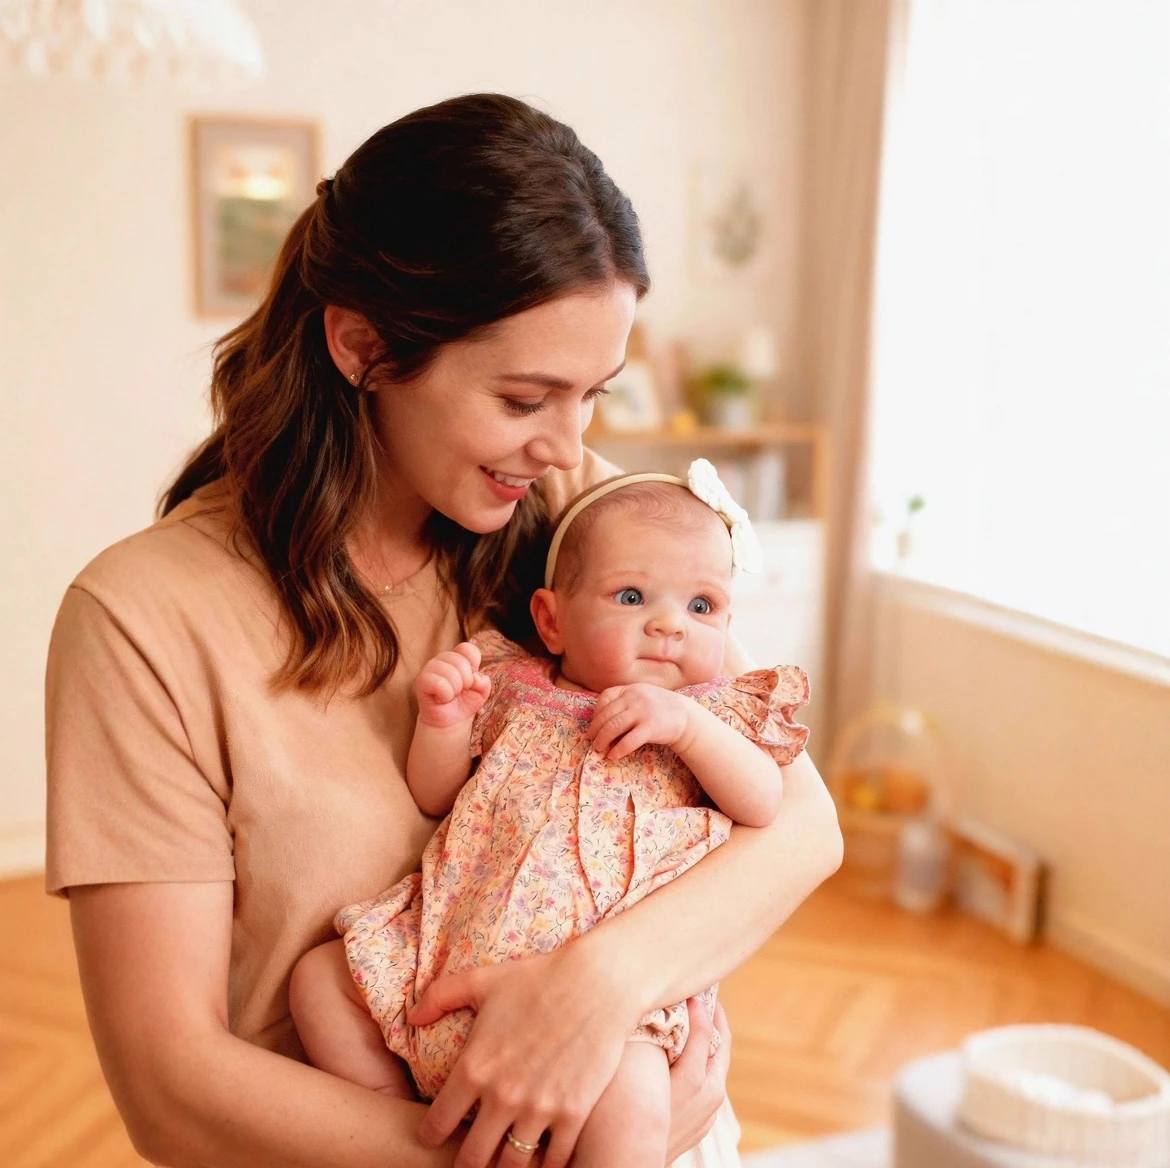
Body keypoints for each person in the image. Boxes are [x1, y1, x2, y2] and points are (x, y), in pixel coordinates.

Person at [45, 93, 842, 1168]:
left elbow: (802, 825)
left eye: (592, 396)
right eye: (525, 398)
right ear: (364, 346)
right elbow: (171, 1086)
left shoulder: (578, 523)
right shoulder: (144, 621)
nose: (564, 445)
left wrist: (597, 993)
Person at [291, 464, 813, 1168]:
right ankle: (415, 1115)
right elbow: (436, 795)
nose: (668, 626)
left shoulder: (712, 713)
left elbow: (764, 801)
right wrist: (444, 721)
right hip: (443, 969)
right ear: (552, 621)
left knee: (632, 1098)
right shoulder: (514, 685)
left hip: (603, 1022)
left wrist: (687, 728)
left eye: (702, 606)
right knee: (320, 981)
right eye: (632, 596)